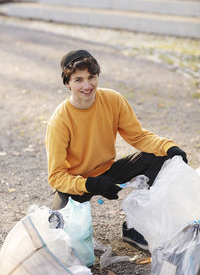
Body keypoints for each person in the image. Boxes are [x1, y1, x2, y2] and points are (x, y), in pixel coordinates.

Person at [45, 49, 187, 250]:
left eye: (91, 77)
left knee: (160, 159)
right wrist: (91, 185)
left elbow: (138, 136)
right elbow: (56, 176)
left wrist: (169, 148)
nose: (87, 85)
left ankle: (134, 229)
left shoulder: (113, 100)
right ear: (67, 83)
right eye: (78, 80)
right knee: (60, 239)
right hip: (77, 181)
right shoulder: (59, 121)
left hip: (108, 171)